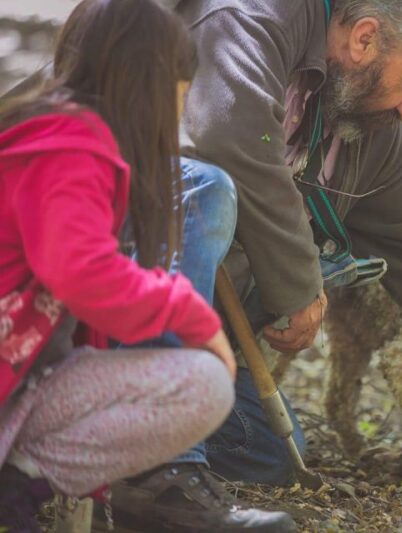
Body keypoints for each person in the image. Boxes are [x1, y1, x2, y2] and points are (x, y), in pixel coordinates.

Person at [103, 0, 402, 529]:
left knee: (266, 455)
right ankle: (153, 467)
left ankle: (93, 436)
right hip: (86, 278)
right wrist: (298, 285)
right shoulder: (249, 19)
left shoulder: (373, 130)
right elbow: (228, 137)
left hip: (198, 330)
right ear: (364, 38)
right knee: (207, 189)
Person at [0, 0, 295, 532]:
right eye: (182, 95)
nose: (178, 117)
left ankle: (19, 482)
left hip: (22, 375)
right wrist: (189, 313)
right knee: (202, 383)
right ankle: (17, 486)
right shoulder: (72, 149)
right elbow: (82, 272)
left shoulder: (55, 134)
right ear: (151, 85)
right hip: (12, 375)